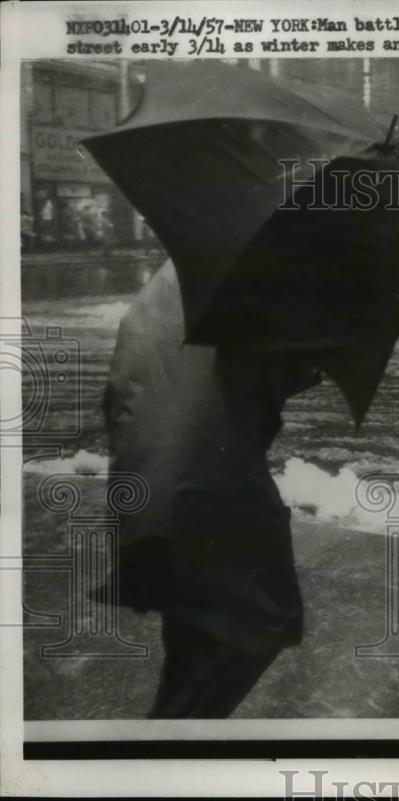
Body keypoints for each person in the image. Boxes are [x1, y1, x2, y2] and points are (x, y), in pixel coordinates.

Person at [102, 260, 321, 718]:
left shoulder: (169, 285)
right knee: (261, 623)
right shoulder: (249, 286)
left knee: (191, 632)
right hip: (207, 489)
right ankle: (171, 748)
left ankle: (168, 742)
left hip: (145, 482)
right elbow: (261, 388)